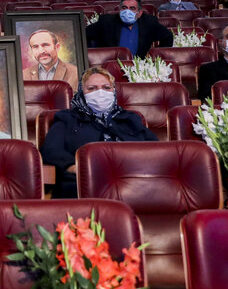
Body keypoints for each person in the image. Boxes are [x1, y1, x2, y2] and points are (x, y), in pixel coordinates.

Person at [41, 67, 157, 198]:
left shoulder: (130, 118)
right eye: (92, 88)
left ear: (114, 91)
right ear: (81, 92)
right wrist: (73, 166)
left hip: (131, 179)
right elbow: (51, 150)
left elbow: (154, 148)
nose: (100, 93)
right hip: (86, 180)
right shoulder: (66, 118)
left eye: (106, 88)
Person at [85, 0, 173, 58]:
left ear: (139, 13)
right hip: (112, 67)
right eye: (124, 8)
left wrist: (155, 56)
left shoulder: (149, 22)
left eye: (132, 8)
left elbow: (168, 36)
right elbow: (83, 34)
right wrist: (95, 56)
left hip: (139, 67)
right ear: (119, 11)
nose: (127, 11)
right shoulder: (106, 22)